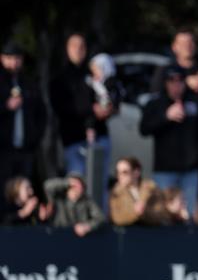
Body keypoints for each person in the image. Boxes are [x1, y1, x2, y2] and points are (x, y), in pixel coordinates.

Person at [139, 65, 198, 218]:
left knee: (188, 213)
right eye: (171, 81)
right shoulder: (155, 103)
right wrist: (165, 117)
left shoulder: (195, 103)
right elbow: (144, 129)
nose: (176, 84)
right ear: (165, 83)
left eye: (180, 81)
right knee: (164, 211)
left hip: (190, 169)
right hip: (165, 169)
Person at [0, 41, 46, 214]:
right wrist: (5, 107)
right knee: (5, 187)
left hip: (25, 148)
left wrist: (35, 137)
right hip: (3, 148)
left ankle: (24, 218)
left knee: (24, 187)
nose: (14, 63)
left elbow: (41, 113)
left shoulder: (28, 83)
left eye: (17, 58)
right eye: (10, 58)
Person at [49, 33, 96, 175]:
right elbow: (62, 108)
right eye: (74, 46)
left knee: (97, 179)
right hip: (72, 137)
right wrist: (91, 110)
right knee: (77, 180)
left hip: (97, 136)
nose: (78, 50)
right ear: (67, 49)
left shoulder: (93, 73)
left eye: (82, 46)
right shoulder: (61, 78)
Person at [86, 53, 124, 208]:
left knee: (100, 176)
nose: (95, 72)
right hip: (88, 135)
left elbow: (111, 106)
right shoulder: (91, 83)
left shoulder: (111, 84)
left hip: (100, 135)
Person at [150, 27, 198, 94]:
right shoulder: (165, 70)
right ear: (174, 47)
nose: (187, 46)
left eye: (190, 42)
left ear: (195, 45)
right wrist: (185, 84)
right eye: (183, 43)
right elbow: (155, 93)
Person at [109, 157, 157, 226]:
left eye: (124, 172)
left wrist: (144, 209)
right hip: (128, 234)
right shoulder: (116, 193)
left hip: (153, 233)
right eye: (117, 172)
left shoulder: (151, 188)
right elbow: (117, 218)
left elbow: (160, 216)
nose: (120, 176)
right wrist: (135, 213)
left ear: (136, 172)